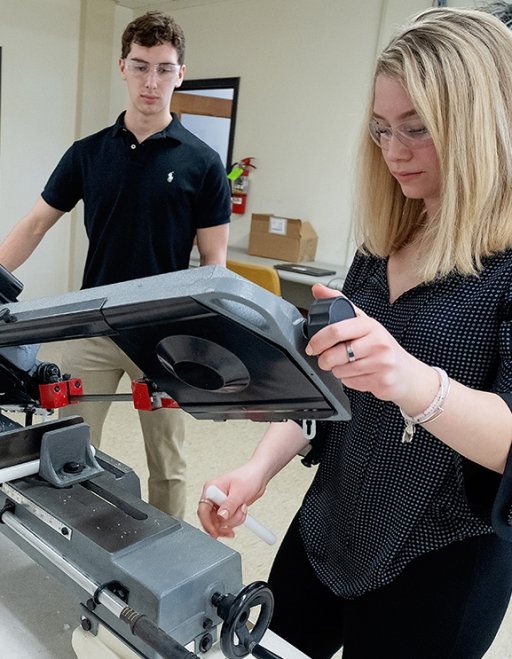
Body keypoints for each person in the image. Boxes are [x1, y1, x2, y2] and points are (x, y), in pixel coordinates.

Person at [197, 7, 512, 658]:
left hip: (439, 556)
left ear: (479, 126)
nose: (393, 152)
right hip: (329, 525)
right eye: (380, 129)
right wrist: (257, 469)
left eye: (417, 130)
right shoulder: (384, 242)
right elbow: (325, 383)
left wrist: (414, 383)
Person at [0, 11, 231, 519]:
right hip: (94, 326)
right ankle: (71, 534)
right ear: (122, 67)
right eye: (141, 66)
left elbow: (215, 264)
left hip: (164, 334)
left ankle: (173, 550)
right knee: (65, 442)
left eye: (164, 69)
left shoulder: (204, 164)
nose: (152, 82)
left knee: (167, 462)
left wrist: (210, 343)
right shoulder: (88, 154)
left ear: (181, 73)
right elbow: (35, 223)